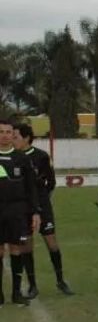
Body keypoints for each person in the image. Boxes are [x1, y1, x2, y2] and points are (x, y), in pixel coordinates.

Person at [12, 123, 74, 296]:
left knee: (51, 242)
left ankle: (61, 280)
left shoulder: (41, 156)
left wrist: (42, 201)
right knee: (26, 245)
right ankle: (33, 285)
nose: (12, 139)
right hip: (22, 208)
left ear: (26, 138)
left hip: (42, 206)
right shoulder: (13, 157)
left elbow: (51, 182)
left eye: (15, 136)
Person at [0, 119, 41, 307]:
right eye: (1, 132)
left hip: (17, 211)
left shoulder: (22, 158)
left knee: (16, 249)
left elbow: (31, 188)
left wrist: (34, 212)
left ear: (13, 135)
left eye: (9, 132)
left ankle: (16, 293)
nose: (5, 135)